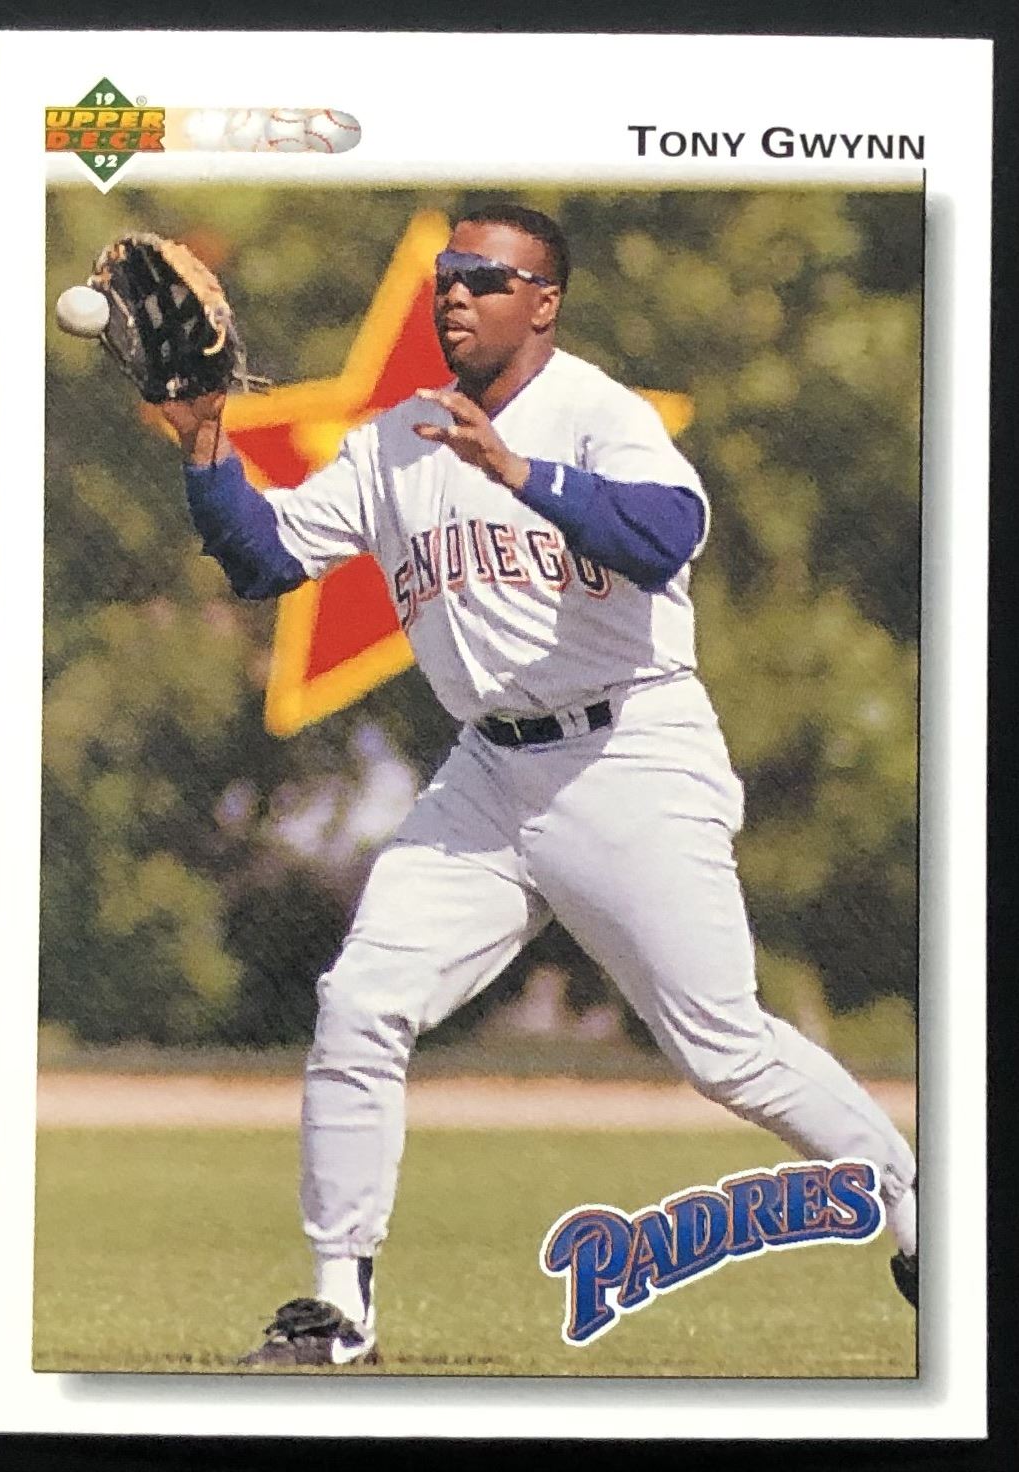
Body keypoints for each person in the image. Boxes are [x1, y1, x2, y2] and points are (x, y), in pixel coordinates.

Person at [163, 204, 918, 1368]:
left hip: (629, 750)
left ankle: (920, 1207)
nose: (454, 295)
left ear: (544, 301)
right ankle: (337, 1304)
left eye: (483, 277)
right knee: (362, 999)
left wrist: (517, 470)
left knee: (723, 1047)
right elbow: (264, 557)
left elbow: (667, 532)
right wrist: (206, 444)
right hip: (487, 773)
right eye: (446, 278)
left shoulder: (596, 412)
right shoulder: (396, 438)